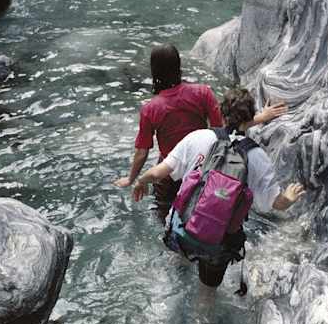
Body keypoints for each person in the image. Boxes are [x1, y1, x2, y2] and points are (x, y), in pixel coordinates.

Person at [131, 87, 305, 288]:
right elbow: (276, 203)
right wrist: (289, 198)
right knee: (207, 293)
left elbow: (158, 173)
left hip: (183, 228)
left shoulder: (198, 137)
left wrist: (140, 182)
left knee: (178, 268)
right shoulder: (257, 157)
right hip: (220, 242)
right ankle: (203, 317)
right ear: (250, 117)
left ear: (221, 114)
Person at [114, 44, 287, 217]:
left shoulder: (150, 109)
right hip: (203, 167)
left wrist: (131, 179)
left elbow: (142, 152)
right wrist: (260, 117)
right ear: (179, 66)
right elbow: (224, 129)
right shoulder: (202, 93)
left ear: (154, 70)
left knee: (167, 222)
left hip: (169, 174)